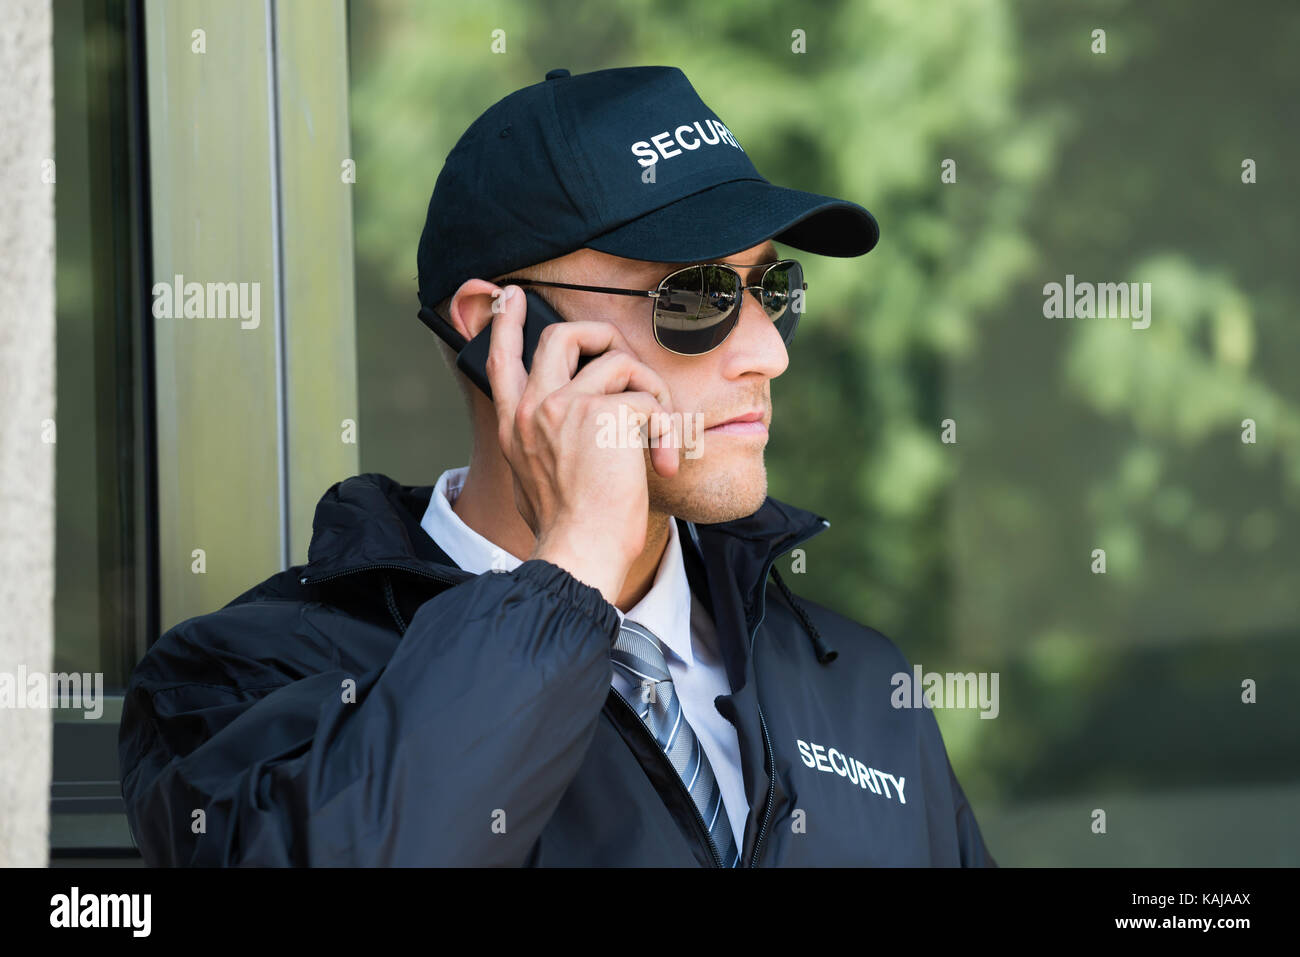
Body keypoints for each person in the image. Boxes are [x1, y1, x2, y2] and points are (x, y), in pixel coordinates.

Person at [119, 65, 996, 867]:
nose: (767, 352)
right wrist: (571, 573)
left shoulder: (860, 683)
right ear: (498, 323)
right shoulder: (243, 673)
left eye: (771, 290)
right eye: (697, 295)